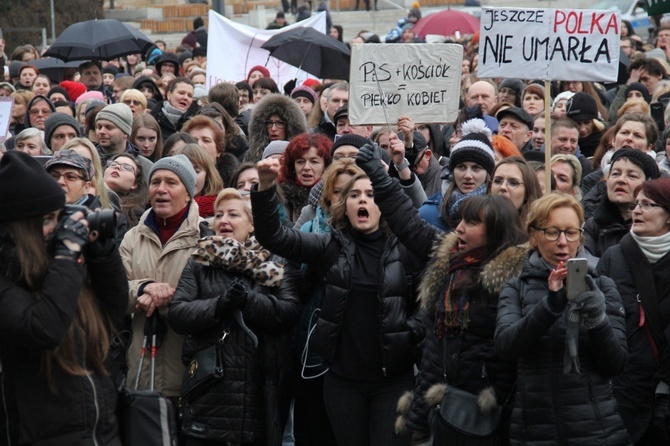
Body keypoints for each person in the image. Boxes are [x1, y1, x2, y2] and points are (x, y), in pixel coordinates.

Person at [355, 144, 528, 443]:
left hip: (485, 414)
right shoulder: (450, 259)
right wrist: (379, 175)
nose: (458, 230)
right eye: (460, 220)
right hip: (433, 401)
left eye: (471, 223)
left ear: (496, 231)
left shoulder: (515, 279)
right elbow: (410, 224)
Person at [251, 160, 421, 446]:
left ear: (385, 205)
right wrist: (266, 186)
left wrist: (410, 333)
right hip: (343, 382)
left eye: (371, 194)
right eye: (354, 195)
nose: (363, 200)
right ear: (345, 205)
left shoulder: (408, 249)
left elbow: (427, 301)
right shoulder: (330, 246)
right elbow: (275, 237)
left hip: (393, 381)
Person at [0, 151, 127, 445]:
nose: (58, 228)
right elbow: (44, 328)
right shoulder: (20, 276)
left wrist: (103, 256)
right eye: (47, 219)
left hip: (101, 433)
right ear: (20, 228)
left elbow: (112, 315)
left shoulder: (58, 266)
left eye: (60, 217)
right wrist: (67, 252)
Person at [495, 193, 629, 445]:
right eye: (552, 232)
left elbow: (616, 363)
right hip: (534, 429)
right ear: (533, 236)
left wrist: (597, 318)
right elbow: (506, 346)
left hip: (596, 428)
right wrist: (551, 304)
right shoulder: (516, 287)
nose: (563, 243)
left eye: (571, 232)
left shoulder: (603, 285)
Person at [169, 188, 298, 445]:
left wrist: (250, 300)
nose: (223, 220)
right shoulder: (200, 261)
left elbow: (289, 311)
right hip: (209, 393)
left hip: (258, 394)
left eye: (233, 214)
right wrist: (219, 305)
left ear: (252, 224)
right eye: (219, 214)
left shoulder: (275, 262)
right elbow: (178, 313)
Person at [120, 155, 213, 403]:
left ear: (188, 193)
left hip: (190, 374)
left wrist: (173, 297)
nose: (161, 189)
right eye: (156, 182)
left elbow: (213, 296)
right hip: (141, 372)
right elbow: (115, 291)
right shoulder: (132, 237)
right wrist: (144, 289)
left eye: (171, 183)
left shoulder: (206, 236)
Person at [598, 178, 670, 445]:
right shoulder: (614, 257)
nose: (636, 210)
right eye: (635, 204)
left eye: (648, 204)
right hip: (622, 390)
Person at [419, 120, 496, 231]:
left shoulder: (500, 215)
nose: (468, 175)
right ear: (452, 172)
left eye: (476, 168)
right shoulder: (428, 214)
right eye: (461, 167)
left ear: (488, 174)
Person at [584, 148, 660, 258]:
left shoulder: (659, 227)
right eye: (615, 174)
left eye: (632, 176)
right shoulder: (593, 225)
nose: (621, 180)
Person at [277, 132, 331, 223]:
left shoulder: (334, 196)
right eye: (300, 162)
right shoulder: (281, 195)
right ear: (293, 167)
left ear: (325, 167)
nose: (306, 167)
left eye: (314, 162)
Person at [246, 93, 308, 162]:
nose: (273, 129)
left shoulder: (303, 154)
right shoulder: (250, 155)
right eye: (269, 123)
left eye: (280, 123)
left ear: (289, 127)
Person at [169, 142, 225, 218]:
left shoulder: (224, 209)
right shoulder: (161, 210)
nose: (191, 177)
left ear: (207, 174)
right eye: (185, 171)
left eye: (196, 171)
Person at [183, 115, 240, 188]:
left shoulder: (233, 181)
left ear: (218, 150)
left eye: (206, 140)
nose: (199, 145)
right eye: (194, 140)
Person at [489, 156, 542, 226]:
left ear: (527, 192)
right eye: (497, 181)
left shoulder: (537, 233)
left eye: (513, 183)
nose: (503, 187)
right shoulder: (475, 228)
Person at [103, 153, 148, 228]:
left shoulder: (135, 213)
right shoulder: (87, 195)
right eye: (113, 164)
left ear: (134, 184)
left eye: (126, 167)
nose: (117, 167)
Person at [151, 77, 199, 142]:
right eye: (181, 93)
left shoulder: (197, 123)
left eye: (189, 95)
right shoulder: (153, 119)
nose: (185, 98)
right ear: (169, 95)